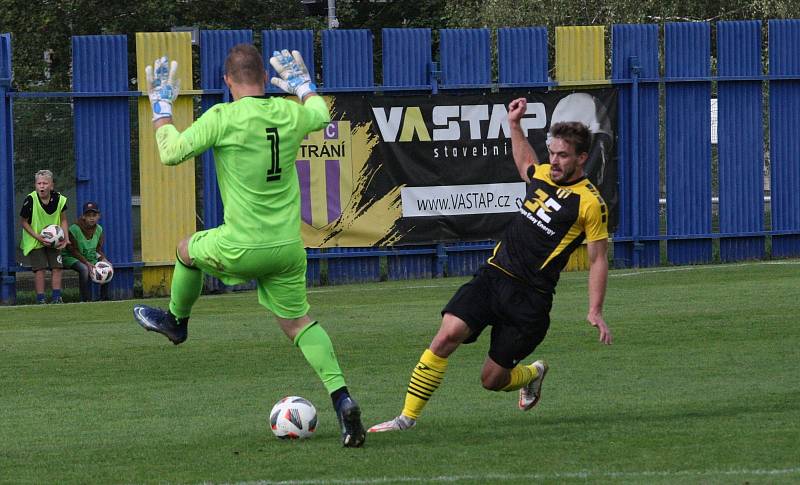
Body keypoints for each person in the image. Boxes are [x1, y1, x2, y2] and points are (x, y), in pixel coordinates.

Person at [131, 44, 366, 447]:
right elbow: (322, 114)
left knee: (186, 249)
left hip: (242, 246)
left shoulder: (223, 116)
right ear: (264, 77)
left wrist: (162, 106)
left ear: (227, 80)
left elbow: (170, 153)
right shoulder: (288, 112)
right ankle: (342, 399)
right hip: (288, 249)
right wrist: (304, 85)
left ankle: (177, 323)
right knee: (298, 324)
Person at [368, 97, 613, 433]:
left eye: (563, 156)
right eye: (553, 153)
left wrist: (595, 309)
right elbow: (526, 160)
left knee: (491, 380)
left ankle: (533, 373)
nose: (554, 161)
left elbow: (599, 258)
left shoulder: (590, 203)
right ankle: (405, 419)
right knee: (447, 334)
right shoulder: (542, 175)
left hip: (531, 299)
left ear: (582, 158)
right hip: (493, 276)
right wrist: (514, 125)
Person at [19, 169, 70, 304]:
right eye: (39, 183)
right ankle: (41, 299)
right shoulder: (30, 200)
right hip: (35, 240)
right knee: (40, 269)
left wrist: (66, 238)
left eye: (45, 183)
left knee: (57, 267)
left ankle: (57, 297)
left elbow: (63, 219)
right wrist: (38, 237)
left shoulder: (59, 199)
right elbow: (23, 222)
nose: (42, 186)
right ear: (35, 185)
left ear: (51, 185)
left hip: (54, 239)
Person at [62, 201, 109, 302]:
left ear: (98, 216)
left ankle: (104, 299)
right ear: (83, 216)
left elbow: (97, 250)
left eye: (94, 215)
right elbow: (72, 250)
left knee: (106, 267)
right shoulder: (74, 229)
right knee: (84, 269)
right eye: (88, 215)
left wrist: (103, 259)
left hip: (89, 257)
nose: (91, 218)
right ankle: (86, 300)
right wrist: (87, 263)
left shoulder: (99, 229)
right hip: (71, 257)